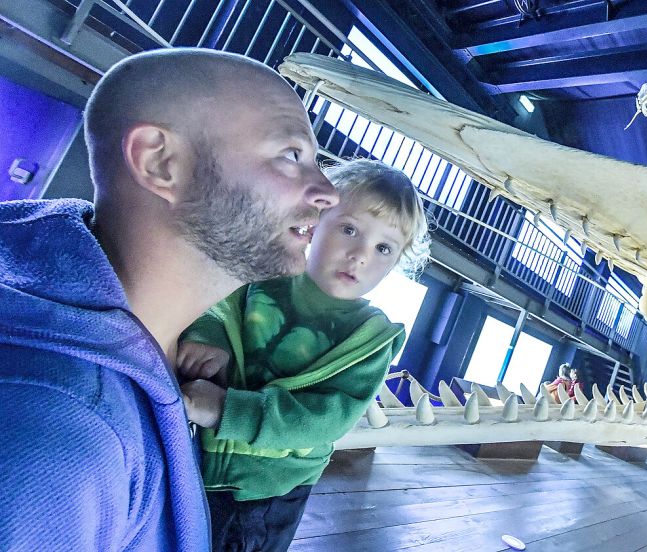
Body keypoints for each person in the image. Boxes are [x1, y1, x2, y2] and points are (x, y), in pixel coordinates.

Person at [0, 48, 338, 550]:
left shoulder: (148, 359)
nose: (327, 191)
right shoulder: (57, 435)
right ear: (161, 163)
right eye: (291, 155)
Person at [176, 159, 431, 551]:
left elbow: (327, 419)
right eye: (349, 229)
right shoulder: (263, 276)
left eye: (384, 248)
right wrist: (207, 338)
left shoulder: (371, 337)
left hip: (270, 490)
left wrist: (227, 409)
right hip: (194, 461)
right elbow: (216, 306)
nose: (361, 255)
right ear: (315, 222)